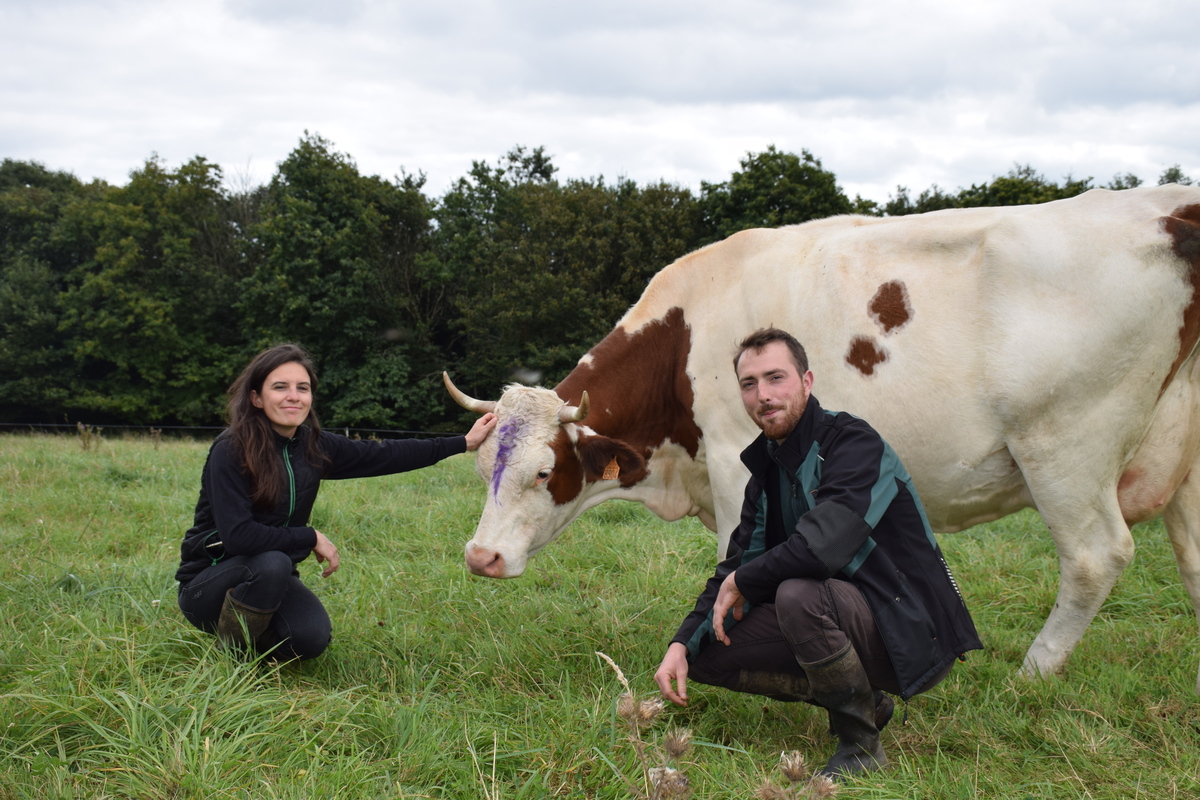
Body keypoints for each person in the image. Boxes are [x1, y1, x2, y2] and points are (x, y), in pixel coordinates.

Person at [653, 327, 981, 778]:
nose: (763, 395)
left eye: (776, 378)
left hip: (909, 625)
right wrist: (680, 643)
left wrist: (744, 582)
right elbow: (735, 567)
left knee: (797, 594)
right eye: (749, 384)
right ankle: (868, 703)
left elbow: (824, 546)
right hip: (838, 616)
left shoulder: (854, 444)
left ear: (806, 382)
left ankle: (860, 747)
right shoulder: (767, 469)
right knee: (708, 649)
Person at [176, 343, 497, 661]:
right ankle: (233, 659)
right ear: (256, 398)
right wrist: (310, 536)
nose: (293, 395)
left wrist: (462, 443)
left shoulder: (313, 446)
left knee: (311, 637)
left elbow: (385, 454)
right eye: (279, 387)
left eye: (302, 387)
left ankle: (254, 638)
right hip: (210, 584)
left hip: (272, 577)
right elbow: (239, 535)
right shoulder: (231, 449)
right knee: (273, 563)